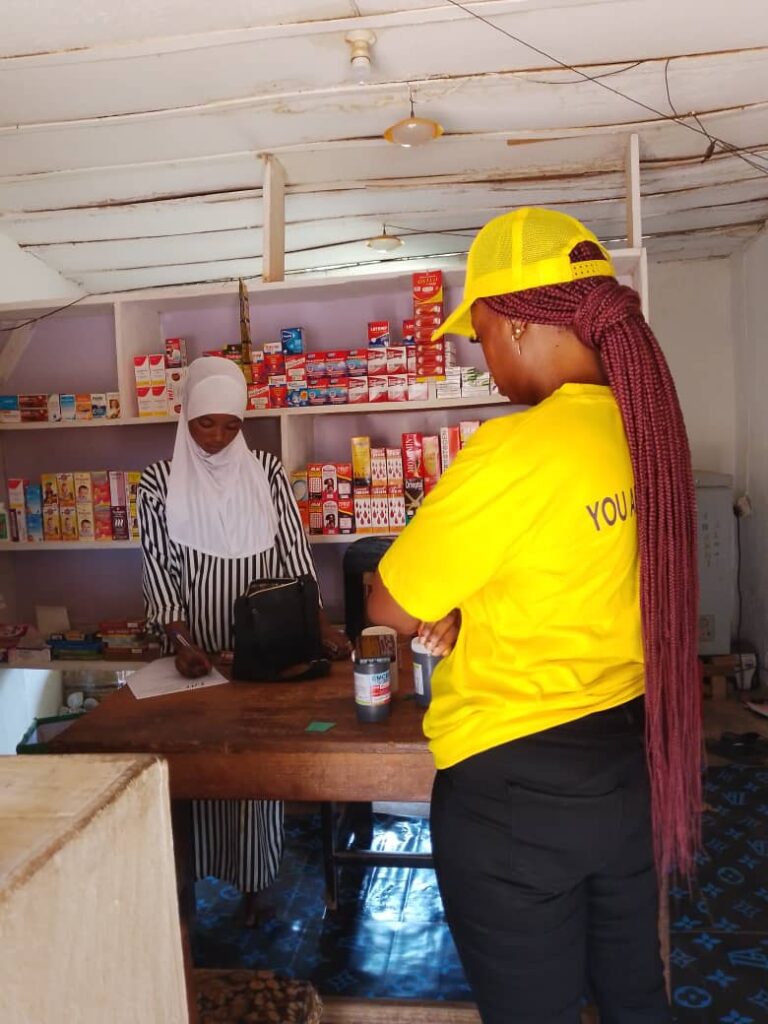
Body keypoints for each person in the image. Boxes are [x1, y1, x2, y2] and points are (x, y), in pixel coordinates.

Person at [368, 207, 700, 1024]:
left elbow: (389, 604)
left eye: (482, 337)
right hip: (628, 764)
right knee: (635, 997)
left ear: (515, 323)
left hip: (514, 796)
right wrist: (473, 606)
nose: (486, 363)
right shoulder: (646, 427)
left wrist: (448, 609)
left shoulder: (514, 451)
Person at [138, 355, 350, 922]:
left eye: (230, 425)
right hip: (197, 644)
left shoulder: (267, 471)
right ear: (185, 417)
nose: (216, 437)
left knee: (255, 759)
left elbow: (294, 553)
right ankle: (190, 881)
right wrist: (182, 642)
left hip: (265, 638)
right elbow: (159, 569)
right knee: (199, 756)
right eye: (205, 424)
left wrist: (321, 625)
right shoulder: (158, 483)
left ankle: (255, 882)